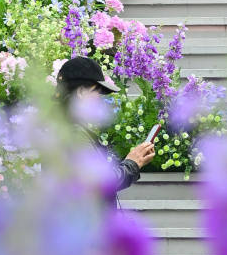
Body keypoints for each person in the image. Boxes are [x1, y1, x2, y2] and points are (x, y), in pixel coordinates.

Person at [56, 56, 155, 199]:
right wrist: (132, 163)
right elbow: (98, 184)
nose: (100, 99)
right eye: (97, 92)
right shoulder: (75, 133)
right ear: (81, 92)